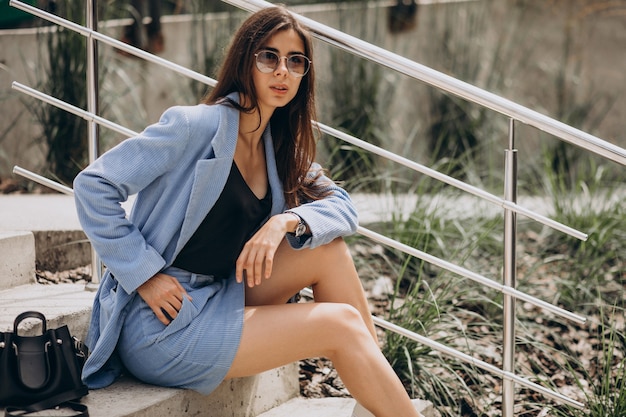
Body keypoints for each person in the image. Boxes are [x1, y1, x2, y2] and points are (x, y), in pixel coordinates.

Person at [73, 6, 423, 417]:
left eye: (296, 61)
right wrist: (145, 273)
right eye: (269, 57)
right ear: (246, 61)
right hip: (162, 321)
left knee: (329, 252)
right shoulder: (194, 127)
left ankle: (378, 395)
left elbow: (343, 207)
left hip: (222, 295)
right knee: (340, 323)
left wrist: (285, 221)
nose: (282, 72)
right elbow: (93, 185)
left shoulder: (278, 148)